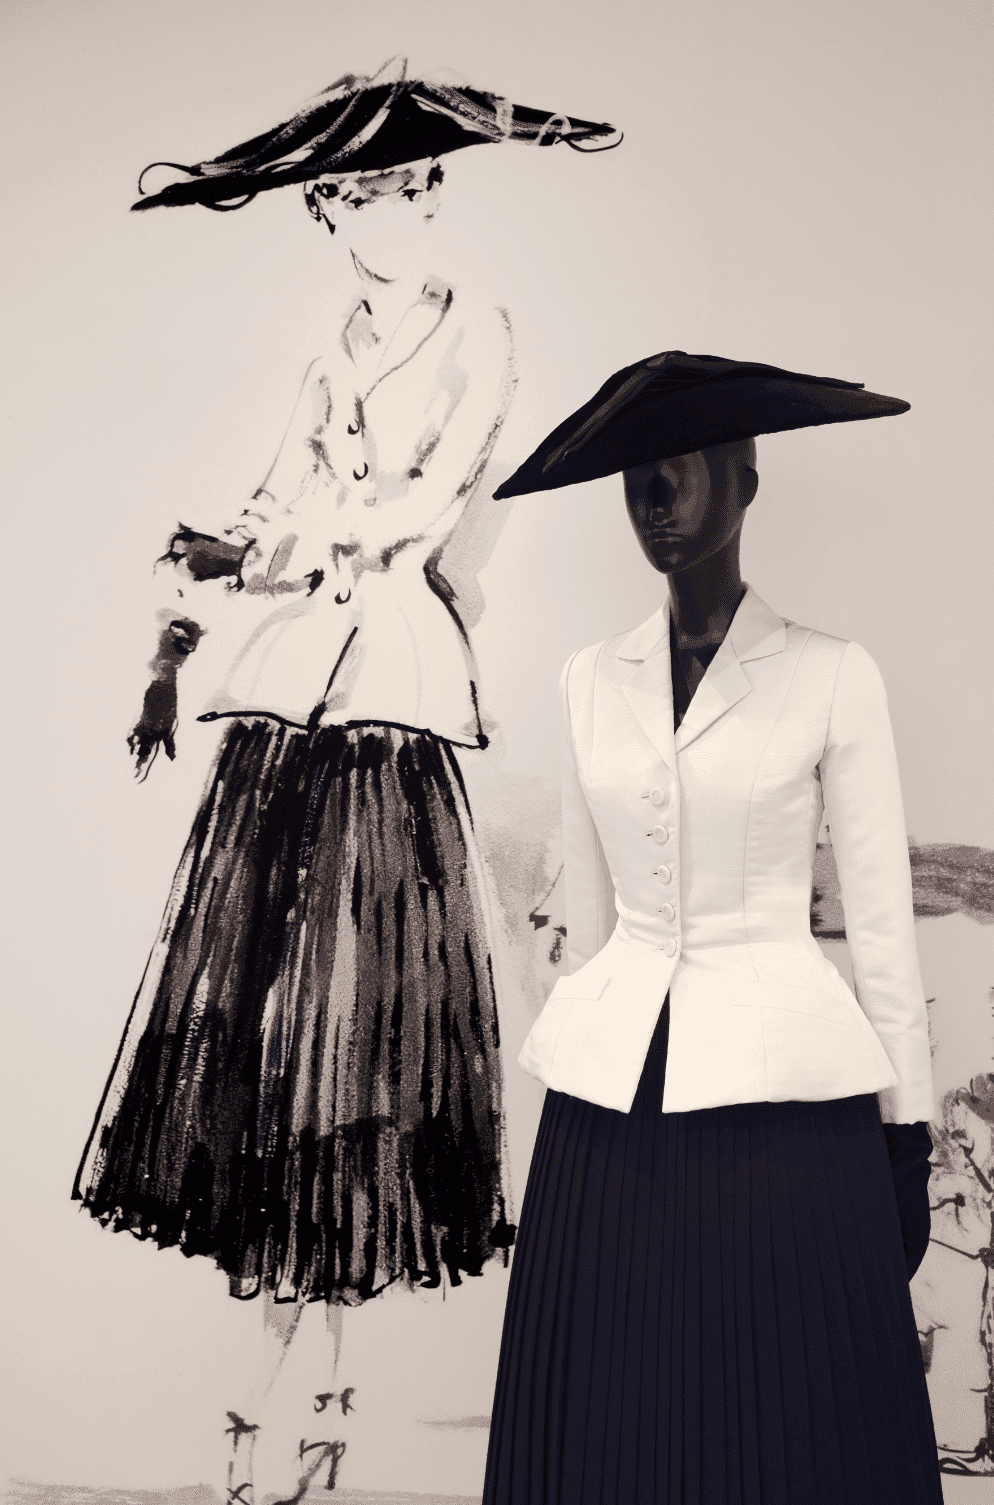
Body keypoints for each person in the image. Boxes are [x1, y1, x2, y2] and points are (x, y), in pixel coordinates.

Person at [72, 58, 620, 1505]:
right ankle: (294, 1396)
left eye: (409, 183)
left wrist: (272, 548)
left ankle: (318, 1397)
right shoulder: (328, 355)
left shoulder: (476, 332)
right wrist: (177, 622)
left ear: (434, 194)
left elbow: (415, 510)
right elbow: (277, 494)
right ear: (324, 213)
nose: (391, 207)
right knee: (263, 1048)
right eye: (360, 192)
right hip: (290, 707)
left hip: (389, 705)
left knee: (360, 1043)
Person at [481, 350, 942, 1504]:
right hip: (612, 1116)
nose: (657, 496)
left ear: (745, 478)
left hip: (786, 1106)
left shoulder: (832, 675)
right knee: (612, 1422)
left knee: (787, 1415)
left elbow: (880, 924)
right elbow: (594, 936)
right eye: (637, 474)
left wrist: (908, 1135)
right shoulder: (591, 677)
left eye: (683, 467)